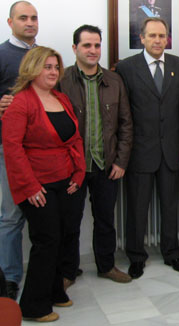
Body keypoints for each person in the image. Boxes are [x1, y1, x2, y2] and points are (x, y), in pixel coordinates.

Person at [2, 46, 85, 322]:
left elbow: (73, 139)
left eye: (55, 67)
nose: (52, 72)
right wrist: (30, 187)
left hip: (65, 180)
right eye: (46, 67)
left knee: (61, 237)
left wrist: (78, 173)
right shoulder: (20, 102)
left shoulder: (60, 97)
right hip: (37, 185)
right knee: (46, 240)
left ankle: (55, 293)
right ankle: (33, 306)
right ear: (31, 69)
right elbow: (12, 149)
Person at [115, 17, 179, 279]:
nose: (158, 40)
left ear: (167, 39)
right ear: (142, 39)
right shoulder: (126, 68)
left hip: (171, 150)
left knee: (171, 206)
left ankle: (172, 253)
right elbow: (122, 113)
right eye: (153, 36)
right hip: (139, 151)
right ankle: (136, 257)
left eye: (162, 36)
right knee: (137, 207)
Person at [58, 25, 133, 286]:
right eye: (87, 45)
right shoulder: (62, 80)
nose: (93, 50)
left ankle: (106, 265)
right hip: (73, 168)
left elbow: (126, 124)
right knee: (70, 221)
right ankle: (68, 271)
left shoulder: (114, 81)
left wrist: (121, 161)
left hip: (106, 164)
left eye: (97, 45)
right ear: (75, 48)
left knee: (105, 220)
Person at [0, 0, 38, 301]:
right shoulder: (1, 55)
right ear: (10, 22)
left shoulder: (42, 56)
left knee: (46, 215)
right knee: (12, 217)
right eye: (23, 18)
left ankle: (46, 271)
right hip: (11, 150)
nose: (30, 22)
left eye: (34, 18)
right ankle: (10, 278)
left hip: (42, 150)